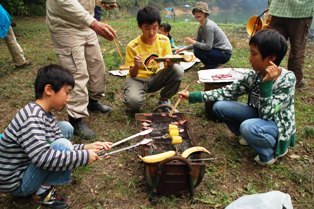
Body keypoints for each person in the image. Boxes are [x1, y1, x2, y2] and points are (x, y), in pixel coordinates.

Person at [0, 64, 112, 209]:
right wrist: (83, 157)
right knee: (62, 146)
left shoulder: (44, 113)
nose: (68, 97)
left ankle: (41, 184)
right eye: (67, 92)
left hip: (26, 163)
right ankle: (42, 192)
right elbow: (43, 157)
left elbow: (56, 139)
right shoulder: (32, 119)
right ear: (49, 90)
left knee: (64, 128)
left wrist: (85, 147)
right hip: (17, 183)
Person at [179, 29, 296, 166]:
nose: (250, 58)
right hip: (258, 115)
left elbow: (267, 113)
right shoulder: (254, 75)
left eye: (254, 54)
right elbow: (227, 92)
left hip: (276, 125)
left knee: (248, 127)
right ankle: (247, 135)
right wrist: (194, 96)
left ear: (271, 58)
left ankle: (270, 152)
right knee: (219, 107)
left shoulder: (287, 80)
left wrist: (267, 84)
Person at [46, 0, 117, 140]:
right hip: (65, 25)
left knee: (96, 65)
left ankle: (93, 101)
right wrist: (94, 23)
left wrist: (102, 1)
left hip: (86, 24)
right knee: (77, 73)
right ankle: (76, 118)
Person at [124, 6, 184, 113]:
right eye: (147, 28)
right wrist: (137, 65)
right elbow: (132, 74)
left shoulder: (164, 40)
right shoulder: (132, 46)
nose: (151, 32)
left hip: (156, 77)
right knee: (134, 103)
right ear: (140, 26)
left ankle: (164, 100)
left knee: (178, 70)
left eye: (155, 27)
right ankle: (135, 96)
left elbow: (168, 64)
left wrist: (170, 63)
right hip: (137, 79)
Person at [268, 0, 313, 88]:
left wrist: (271, 5)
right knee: (297, 50)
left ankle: (265, 74)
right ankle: (294, 82)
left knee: (273, 45)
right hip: (301, 12)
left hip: (278, 8)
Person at [176, 2, 232, 69]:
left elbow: (208, 46)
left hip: (224, 54)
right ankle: (211, 65)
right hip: (217, 51)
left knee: (197, 51)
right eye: (196, 11)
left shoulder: (209, 26)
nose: (197, 13)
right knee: (197, 48)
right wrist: (184, 48)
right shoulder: (201, 27)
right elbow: (197, 43)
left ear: (205, 14)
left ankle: (214, 66)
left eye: (200, 11)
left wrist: (193, 41)